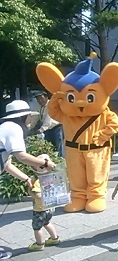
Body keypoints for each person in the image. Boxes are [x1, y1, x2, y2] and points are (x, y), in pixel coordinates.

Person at [0, 100, 57, 259]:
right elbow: (22, 156)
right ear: (22, 117)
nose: (31, 120)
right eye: (29, 116)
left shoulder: (5, 128)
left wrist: (26, 179)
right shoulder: (13, 128)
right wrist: (46, 163)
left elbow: (7, 164)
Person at [27, 162, 62, 251]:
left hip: (40, 209)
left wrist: (30, 190)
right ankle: (54, 238)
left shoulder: (39, 181)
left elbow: (38, 196)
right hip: (50, 207)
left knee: (37, 227)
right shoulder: (53, 178)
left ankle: (39, 244)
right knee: (47, 222)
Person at [32, 91, 64, 157]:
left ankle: (61, 160)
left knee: (59, 146)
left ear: (46, 97)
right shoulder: (39, 107)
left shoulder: (51, 105)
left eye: (41, 98)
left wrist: (41, 130)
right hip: (47, 130)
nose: (40, 101)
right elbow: (35, 117)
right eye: (38, 99)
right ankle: (52, 159)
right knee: (49, 146)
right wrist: (29, 127)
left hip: (56, 127)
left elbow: (48, 120)